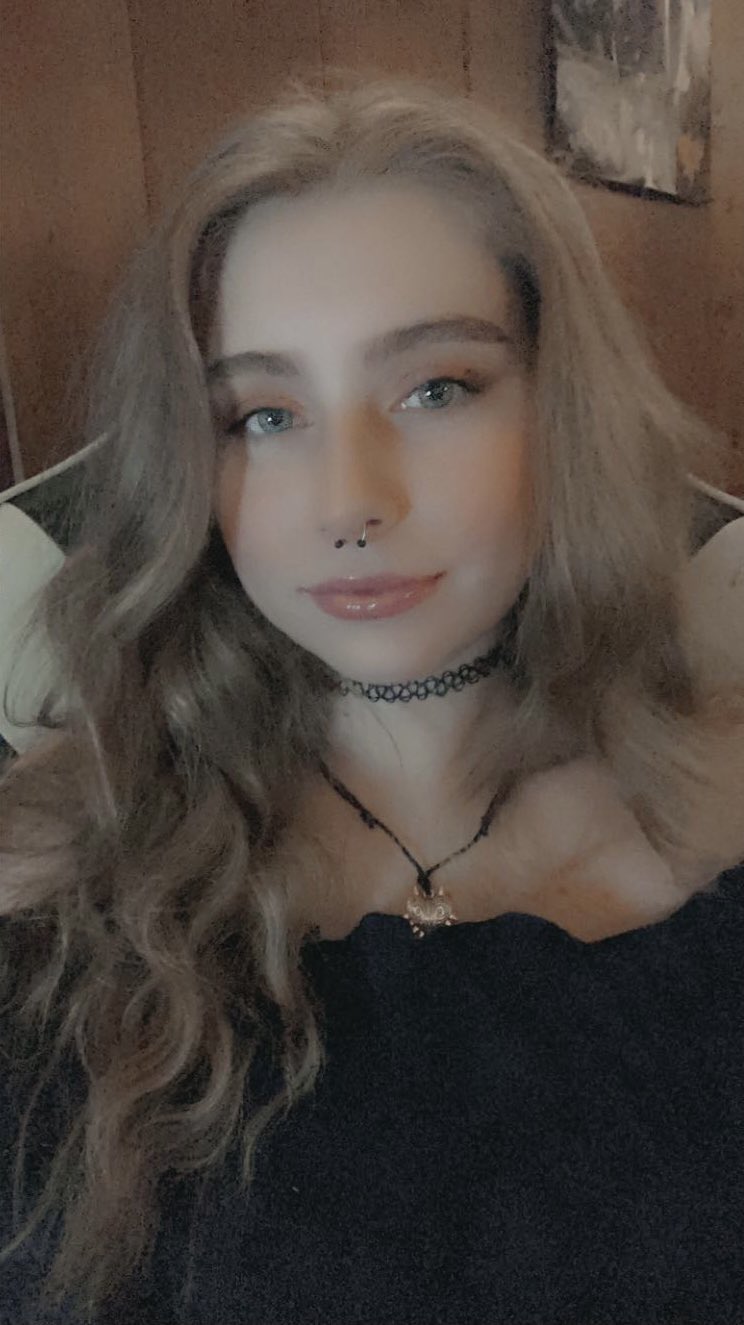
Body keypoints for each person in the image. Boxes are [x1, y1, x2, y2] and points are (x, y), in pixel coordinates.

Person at [1, 68, 743, 1324]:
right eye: (262, 414)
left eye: (434, 389)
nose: (350, 499)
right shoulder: (54, 868)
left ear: (564, 407)